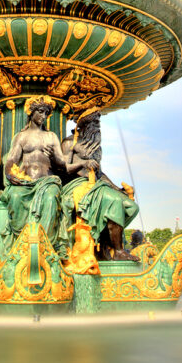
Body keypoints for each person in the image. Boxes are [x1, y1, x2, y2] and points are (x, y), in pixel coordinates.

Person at [2, 95, 95, 254]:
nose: (44, 116)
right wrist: (10, 175)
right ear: (31, 112)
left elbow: (62, 165)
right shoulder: (21, 136)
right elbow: (11, 160)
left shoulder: (51, 136)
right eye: (40, 112)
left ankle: (45, 245)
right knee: (15, 198)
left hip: (47, 181)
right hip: (25, 181)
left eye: (46, 113)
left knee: (51, 198)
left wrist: (53, 156)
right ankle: (21, 243)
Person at [58, 108, 139, 261]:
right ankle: (118, 251)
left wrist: (117, 188)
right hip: (76, 184)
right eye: (94, 122)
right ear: (84, 125)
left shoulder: (96, 146)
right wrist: (83, 162)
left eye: (98, 122)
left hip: (96, 183)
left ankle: (105, 241)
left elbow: (99, 173)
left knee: (131, 207)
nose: (97, 126)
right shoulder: (70, 142)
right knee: (114, 202)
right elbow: (64, 168)